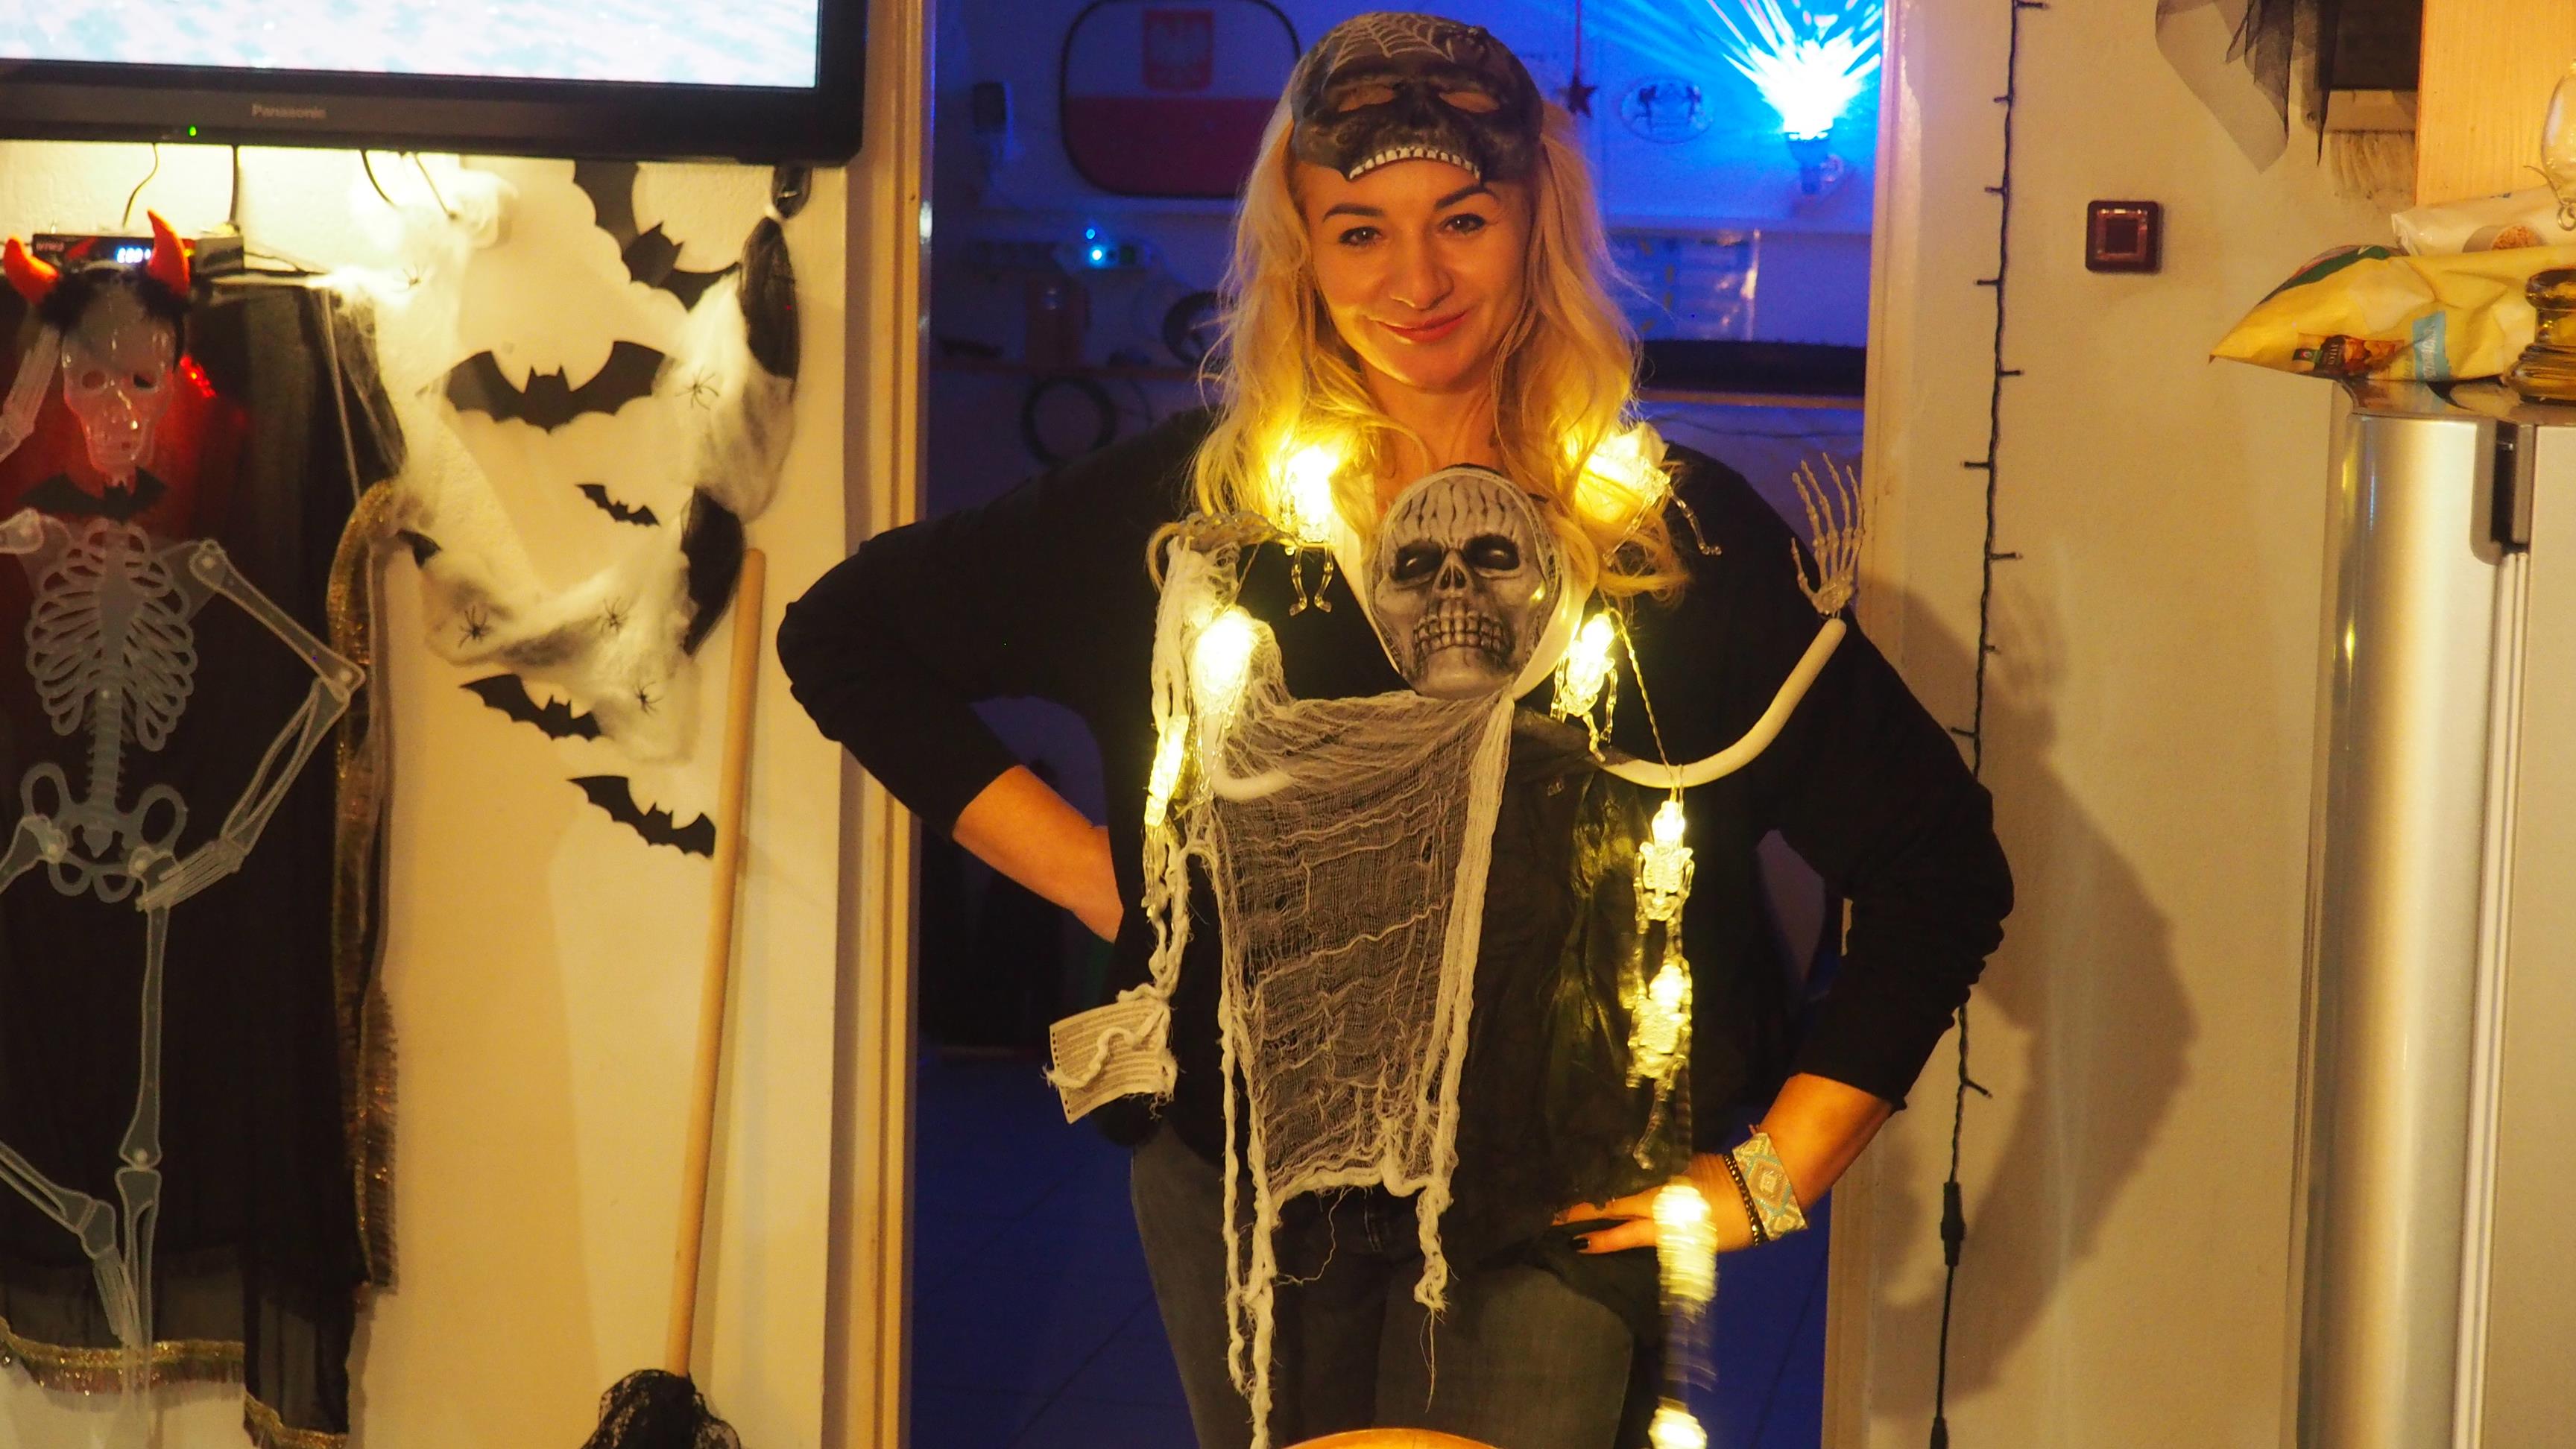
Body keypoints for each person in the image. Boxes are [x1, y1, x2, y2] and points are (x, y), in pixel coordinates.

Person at [778, 13, 2010, 1449]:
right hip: (1243, 1184)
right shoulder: (1194, 526)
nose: (1415, 282)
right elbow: (847, 640)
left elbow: (1937, 864)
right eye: (1359, 231)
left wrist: (1781, 1168)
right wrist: (1112, 885)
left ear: (1537, 224)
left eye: (1463, 221)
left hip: (1552, 1207)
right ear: (1301, 248)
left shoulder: (1665, 544)